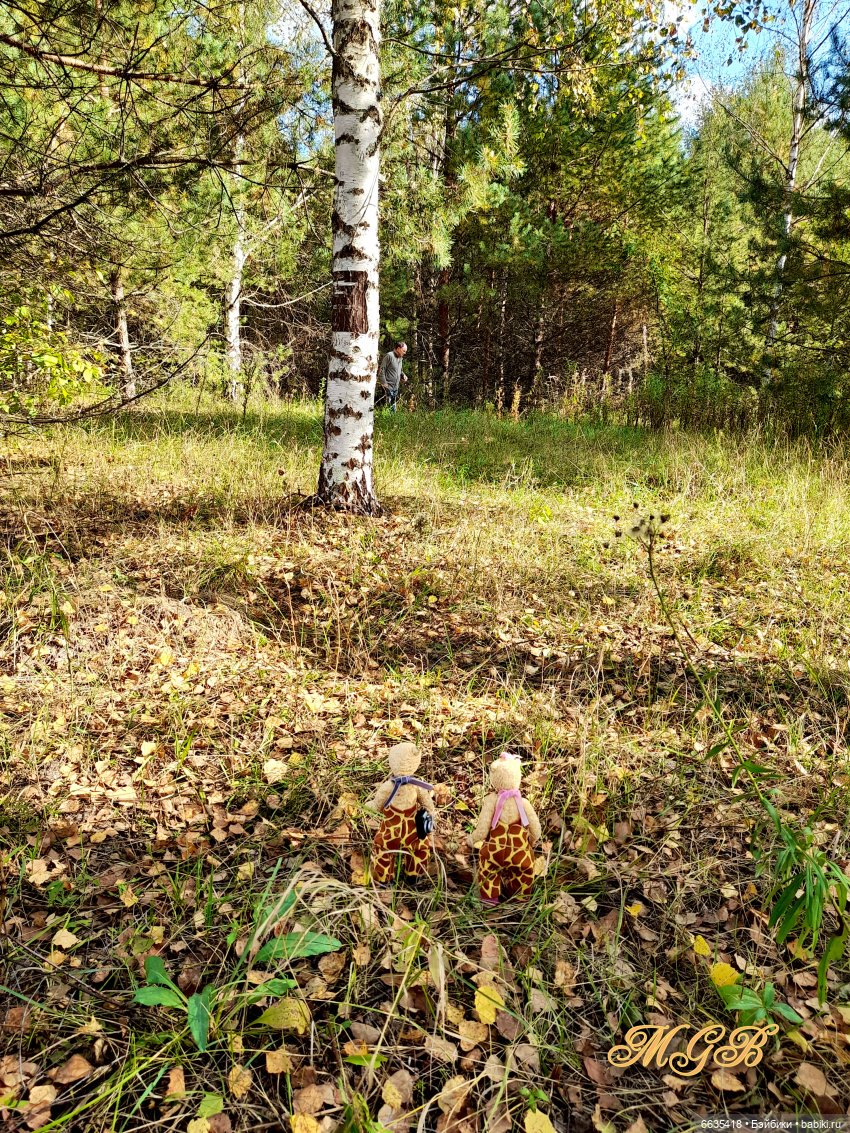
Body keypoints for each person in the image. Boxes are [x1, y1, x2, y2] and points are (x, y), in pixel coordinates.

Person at [377, 341, 407, 411]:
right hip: (387, 387)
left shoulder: (400, 358)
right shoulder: (389, 356)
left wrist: (403, 375)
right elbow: (381, 370)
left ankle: (392, 421)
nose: (405, 353)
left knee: (393, 409)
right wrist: (384, 384)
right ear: (399, 348)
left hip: (395, 388)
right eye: (404, 351)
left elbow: (399, 370)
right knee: (386, 409)